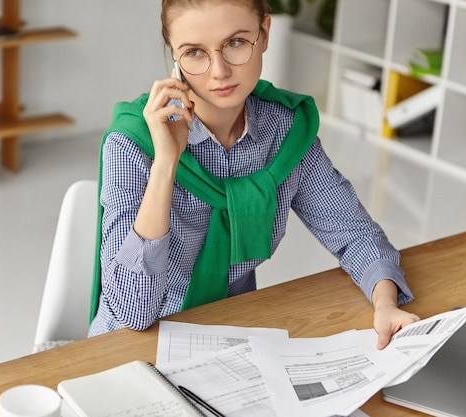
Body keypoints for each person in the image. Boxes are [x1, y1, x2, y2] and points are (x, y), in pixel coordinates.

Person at [88, 0, 420, 348]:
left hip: (232, 335)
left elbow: (355, 235)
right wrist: (166, 164)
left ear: (263, 34)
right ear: (175, 58)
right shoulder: (133, 142)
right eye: (194, 53)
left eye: (235, 43)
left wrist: (385, 305)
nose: (219, 71)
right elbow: (133, 313)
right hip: (129, 348)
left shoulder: (286, 132)